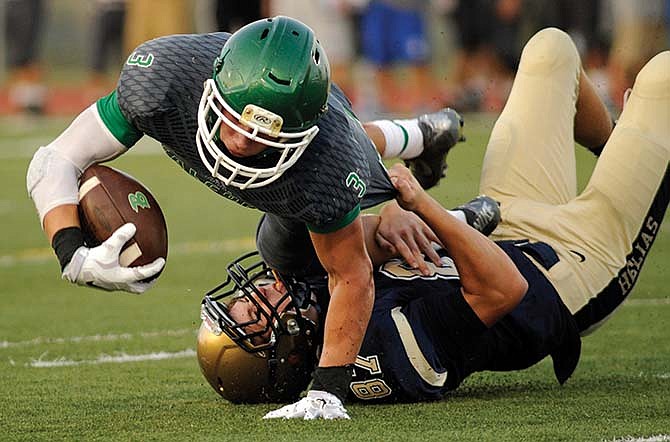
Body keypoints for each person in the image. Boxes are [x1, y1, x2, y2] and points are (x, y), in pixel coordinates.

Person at [25, 16, 498, 418]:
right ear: (213, 84)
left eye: (261, 134)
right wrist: (72, 251)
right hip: (309, 143)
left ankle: (448, 223)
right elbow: (57, 160)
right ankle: (421, 132)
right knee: (288, 237)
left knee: (324, 214)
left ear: (302, 131)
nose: (239, 143)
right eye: (232, 119)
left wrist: (327, 394)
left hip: (323, 160)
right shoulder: (163, 79)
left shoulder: (327, 161)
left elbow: (351, 277)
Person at [196, 28, 669, 419]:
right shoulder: (376, 357)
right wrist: (423, 206)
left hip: (499, 218)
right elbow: (502, 288)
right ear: (289, 355)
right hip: (567, 271)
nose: (262, 292)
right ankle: (647, 140)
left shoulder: (316, 289)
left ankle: (623, 148)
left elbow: (366, 238)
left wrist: (389, 217)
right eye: (255, 315)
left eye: (245, 298)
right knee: (663, 80)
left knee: (549, 50)